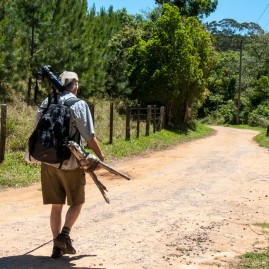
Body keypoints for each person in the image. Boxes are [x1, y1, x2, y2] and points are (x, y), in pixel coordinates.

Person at [36, 71, 104, 258]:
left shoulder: (47, 102)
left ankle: (56, 247)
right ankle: (64, 235)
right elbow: (89, 136)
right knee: (76, 202)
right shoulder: (79, 104)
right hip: (71, 162)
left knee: (56, 205)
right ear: (74, 85)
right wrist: (100, 156)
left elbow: (38, 129)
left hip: (48, 161)